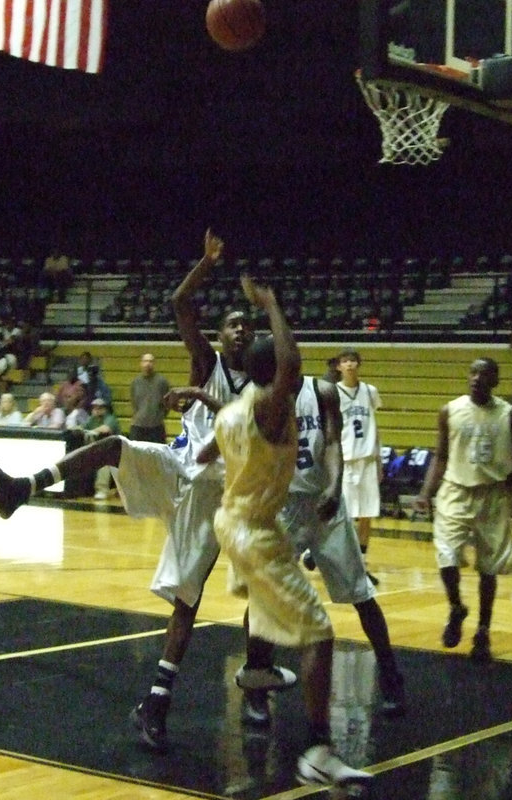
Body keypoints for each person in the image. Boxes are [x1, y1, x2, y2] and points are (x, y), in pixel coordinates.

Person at [0, 229, 289, 752]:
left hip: (220, 498)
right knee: (115, 444)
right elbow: (179, 301)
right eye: (233, 324)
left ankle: (166, 699)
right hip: (176, 468)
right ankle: (22, 488)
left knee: (194, 603)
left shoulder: (264, 393)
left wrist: (198, 397)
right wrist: (206, 262)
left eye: (247, 325)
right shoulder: (206, 363)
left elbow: (245, 431)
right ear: (219, 336)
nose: (241, 330)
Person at [201, 275, 372, 789]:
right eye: (283, 369)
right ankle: (318, 750)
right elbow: (292, 363)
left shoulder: (235, 410)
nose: (293, 375)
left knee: (273, 606)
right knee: (320, 631)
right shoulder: (271, 407)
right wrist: (271, 303)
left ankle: (257, 672)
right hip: (254, 528)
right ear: (273, 374)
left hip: (237, 523)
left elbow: (210, 451)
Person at [248, 369, 406, 725]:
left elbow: (333, 441)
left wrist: (335, 488)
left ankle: (392, 677)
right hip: (284, 506)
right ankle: (255, 685)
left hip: (325, 502)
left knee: (361, 595)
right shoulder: (260, 396)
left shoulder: (321, 391)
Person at [413, 357, 512, 666]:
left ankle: (483, 632)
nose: (476, 378)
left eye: (483, 374)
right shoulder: (449, 410)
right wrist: (425, 493)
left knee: (488, 569)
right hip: (455, 491)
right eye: (472, 372)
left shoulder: (509, 415)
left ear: (495, 380)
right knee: (446, 555)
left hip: (492, 494)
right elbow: (440, 456)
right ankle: (456, 606)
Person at [335, 349, 384, 585]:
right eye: (345, 361)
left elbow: (375, 426)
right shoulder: (333, 393)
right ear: (339, 367)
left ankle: (361, 565)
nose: (350, 364)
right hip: (344, 460)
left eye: (353, 360)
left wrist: (380, 460)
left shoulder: (370, 392)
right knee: (346, 516)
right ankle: (321, 554)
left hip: (367, 460)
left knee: (367, 515)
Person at [128, 352, 171, 444]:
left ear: (154, 364)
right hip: (138, 425)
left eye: (151, 361)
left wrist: (158, 416)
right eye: (145, 361)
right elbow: (134, 403)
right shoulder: (135, 382)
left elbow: (168, 403)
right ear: (141, 363)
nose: (148, 364)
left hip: (156, 427)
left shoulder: (162, 382)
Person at [84, 397, 122, 499]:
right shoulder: (91, 419)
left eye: (100, 407)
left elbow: (106, 429)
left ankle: (102, 490)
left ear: (105, 409)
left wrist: (93, 431)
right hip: (98, 449)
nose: (97, 410)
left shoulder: (110, 418)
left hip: (116, 451)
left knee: (104, 463)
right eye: (95, 407)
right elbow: (82, 428)